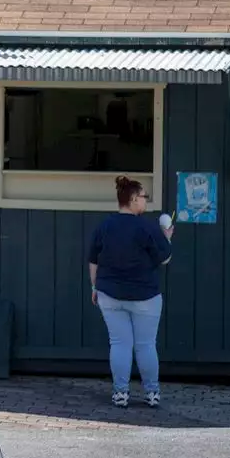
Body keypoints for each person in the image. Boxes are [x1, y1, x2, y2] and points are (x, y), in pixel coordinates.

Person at [88, 175, 173, 408]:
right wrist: (166, 237)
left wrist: (95, 287)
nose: (146, 201)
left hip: (109, 293)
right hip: (145, 295)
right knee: (146, 345)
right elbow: (165, 257)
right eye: (144, 197)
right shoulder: (148, 227)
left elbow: (93, 260)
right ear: (134, 199)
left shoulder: (104, 226)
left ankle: (120, 393)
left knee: (119, 344)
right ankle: (152, 393)